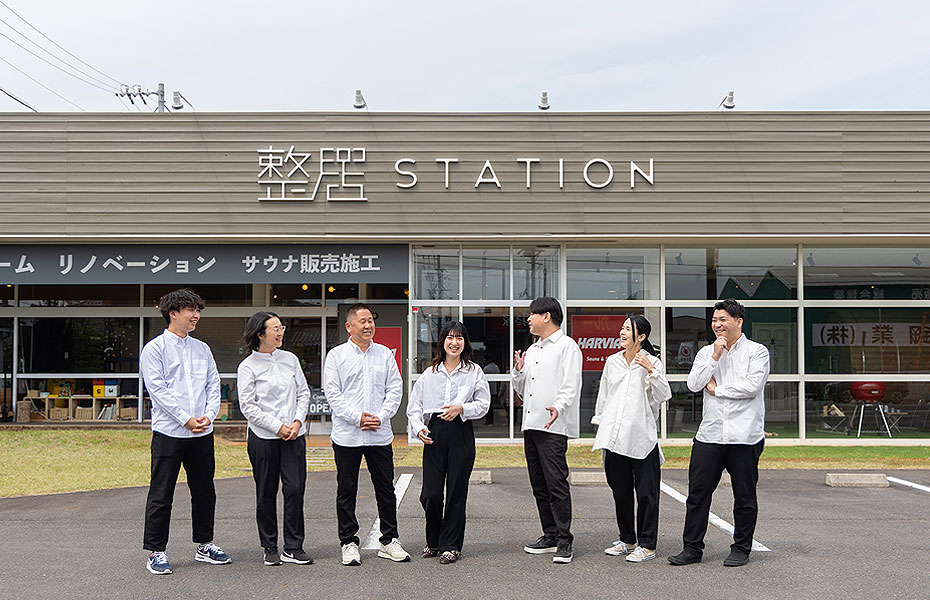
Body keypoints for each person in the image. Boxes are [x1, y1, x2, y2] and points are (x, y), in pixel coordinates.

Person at [668, 298, 770, 568]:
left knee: (744, 497)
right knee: (697, 495)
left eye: (723, 319)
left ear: (739, 321)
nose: (717, 324)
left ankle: (741, 548)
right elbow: (693, 384)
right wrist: (714, 357)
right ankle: (692, 548)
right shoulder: (706, 353)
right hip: (709, 435)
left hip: (744, 436)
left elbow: (752, 387)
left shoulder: (757, 352)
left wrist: (718, 390)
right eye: (714, 320)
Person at [140, 288, 231, 575]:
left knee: (205, 491)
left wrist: (208, 416)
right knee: (161, 493)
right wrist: (185, 419)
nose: (196, 315)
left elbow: (213, 385)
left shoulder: (202, 348)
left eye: (198, 310)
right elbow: (158, 391)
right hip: (168, 433)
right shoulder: (155, 349)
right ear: (173, 313)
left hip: (201, 433)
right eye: (191, 310)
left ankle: (205, 544)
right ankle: (156, 551)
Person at [323, 303, 410, 566]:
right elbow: (333, 394)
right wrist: (357, 417)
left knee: (386, 489)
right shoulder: (336, 356)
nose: (368, 325)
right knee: (347, 490)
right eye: (362, 321)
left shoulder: (384, 354)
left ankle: (389, 540)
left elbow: (395, 389)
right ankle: (348, 542)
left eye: (371, 320)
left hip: (379, 435)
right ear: (349, 326)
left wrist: (381, 416)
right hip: (347, 436)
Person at [407, 321, 490, 564]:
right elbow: (414, 407)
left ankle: (451, 545)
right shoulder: (430, 373)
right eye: (450, 338)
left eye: (459, 338)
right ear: (442, 342)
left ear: (465, 343)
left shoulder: (474, 371)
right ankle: (433, 541)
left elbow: (483, 404)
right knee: (430, 494)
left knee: (456, 493)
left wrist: (461, 408)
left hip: (461, 432)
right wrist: (419, 428)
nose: (454, 342)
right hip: (434, 433)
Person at [592, 315, 671, 563]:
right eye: (623, 328)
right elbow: (604, 396)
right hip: (614, 437)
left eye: (628, 329)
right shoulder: (612, 361)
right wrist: (600, 424)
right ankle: (627, 540)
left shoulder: (653, 362)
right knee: (621, 492)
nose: (623, 332)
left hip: (641, 438)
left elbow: (663, 395)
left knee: (647, 494)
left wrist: (650, 369)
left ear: (642, 336)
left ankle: (647, 545)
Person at [237, 311, 312, 567]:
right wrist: (277, 427)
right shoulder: (248, 366)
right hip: (263, 437)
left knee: (295, 489)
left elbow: (303, 393)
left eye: (281, 328)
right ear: (260, 334)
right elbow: (248, 406)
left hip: (294, 435)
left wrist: (297, 421)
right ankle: (269, 545)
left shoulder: (290, 359)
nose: (280, 332)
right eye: (275, 328)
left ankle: (294, 546)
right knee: (266, 492)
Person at [512, 296, 582, 564]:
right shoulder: (533, 350)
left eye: (532, 314)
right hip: (531, 424)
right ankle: (550, 534)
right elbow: (522, 391)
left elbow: (571, 384)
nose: (528, 319)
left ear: (547, 316)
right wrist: (519, 372)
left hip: (553, 426)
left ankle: (564, 540)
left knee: (556, 484)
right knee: (539, 485)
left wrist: (558, 406)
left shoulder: (567, 346)